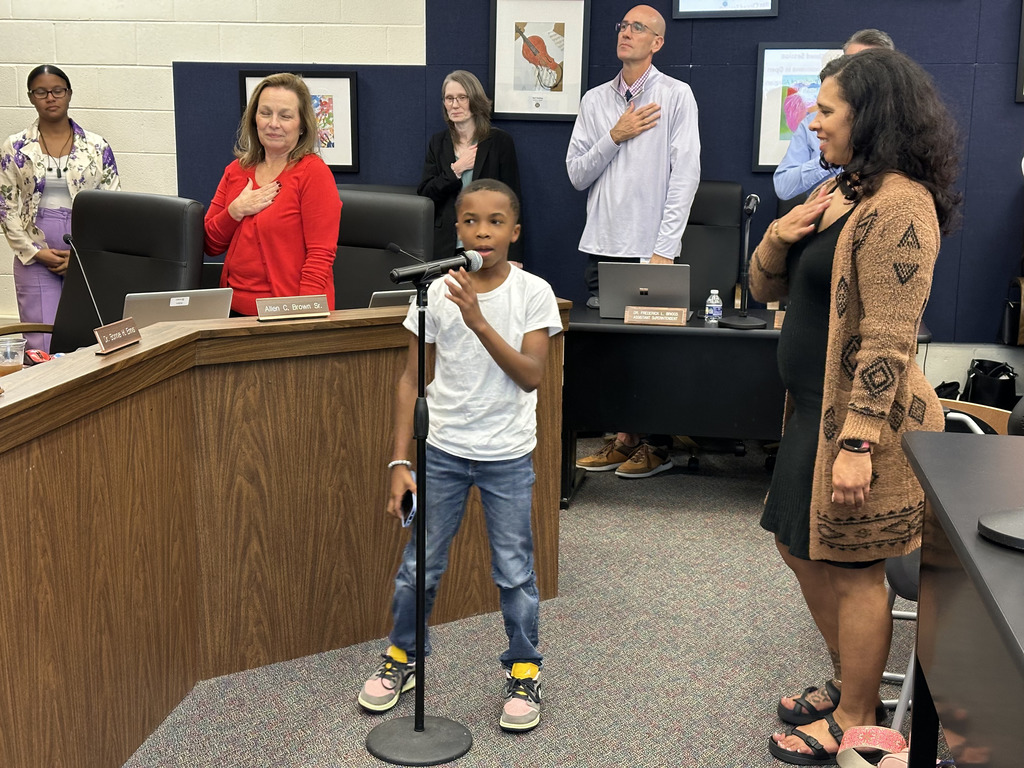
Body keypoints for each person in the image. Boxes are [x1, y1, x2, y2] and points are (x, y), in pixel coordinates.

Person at [749, 48, 960, 765]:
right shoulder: (843, 192)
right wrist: (780, 234)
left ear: (870, 117)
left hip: (860, 426)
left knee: (853, 566)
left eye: (827, 110)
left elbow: (889, 340)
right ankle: (849, 680)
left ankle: (857, 716)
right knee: (795, 544)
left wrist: (860, 442)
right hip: (811, 412)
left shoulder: (902, 206)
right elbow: (764, 290)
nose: (813, 121)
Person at [358, 179, 561, 733]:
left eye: (496, 222)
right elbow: (411, 379)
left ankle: (523, 671)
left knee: (514, 572)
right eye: (471, 221)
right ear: (457, 231)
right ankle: (404, 659)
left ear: (514, 233)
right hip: (442, 451)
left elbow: (531, 376)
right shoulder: (432, 293)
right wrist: (400, 462)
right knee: (418, 568)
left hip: (507, 457)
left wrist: (477, 319)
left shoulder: (533, 293)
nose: (483, 232)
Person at [566, 4, 700, 479]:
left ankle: (656, 445)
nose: (626, 33)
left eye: (637, 27)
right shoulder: (595, 101)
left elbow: (685, 177)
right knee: (611, 353)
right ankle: (623, 439)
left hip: (651, 248)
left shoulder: (676, 95)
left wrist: (665, 248)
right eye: (623, 26)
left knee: (653, 354)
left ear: (657, 42)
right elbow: (577, 174)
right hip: (604, 243)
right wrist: (614, 135)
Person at [0, 64, 120, 352]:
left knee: (87, 335)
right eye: (41, 92)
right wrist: (34, 252)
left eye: (57, 90)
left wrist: (86, 255)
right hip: (35, 254)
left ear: (68, 94)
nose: (50, 97)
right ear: (31, 97)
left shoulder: (96, 146)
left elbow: (112, 205)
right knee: (41, 340)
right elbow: (5, 206)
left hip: (84, 253)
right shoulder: (15, 146)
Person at [204, 73, 341, 316]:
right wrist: (235, 212)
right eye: (265, 113)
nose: (273, 123)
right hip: (231, 311)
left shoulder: (313, 173)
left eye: (285, 116)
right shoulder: (236, 171)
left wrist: (303, 317)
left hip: (287, 313)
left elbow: (320, 258)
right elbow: (210, 244)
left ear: (302, 126)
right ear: (254, 119)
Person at [772, 29, 895, 202]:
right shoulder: (814, 124)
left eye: (867, 67)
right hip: (826, 221)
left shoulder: (905, 128)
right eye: (849, 63)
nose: (854, 74)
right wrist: (830, 159)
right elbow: (783, 188)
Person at [417, 70, 524, 267]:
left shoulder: (499, 141)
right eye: (449, 98)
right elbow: (426, 193)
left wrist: (514, 255)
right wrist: (457, 169)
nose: (455, 104)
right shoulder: (438, 143)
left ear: (475, 100)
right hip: (447, 245)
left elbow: (513, 200)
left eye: (462, 98)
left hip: (488, 242)